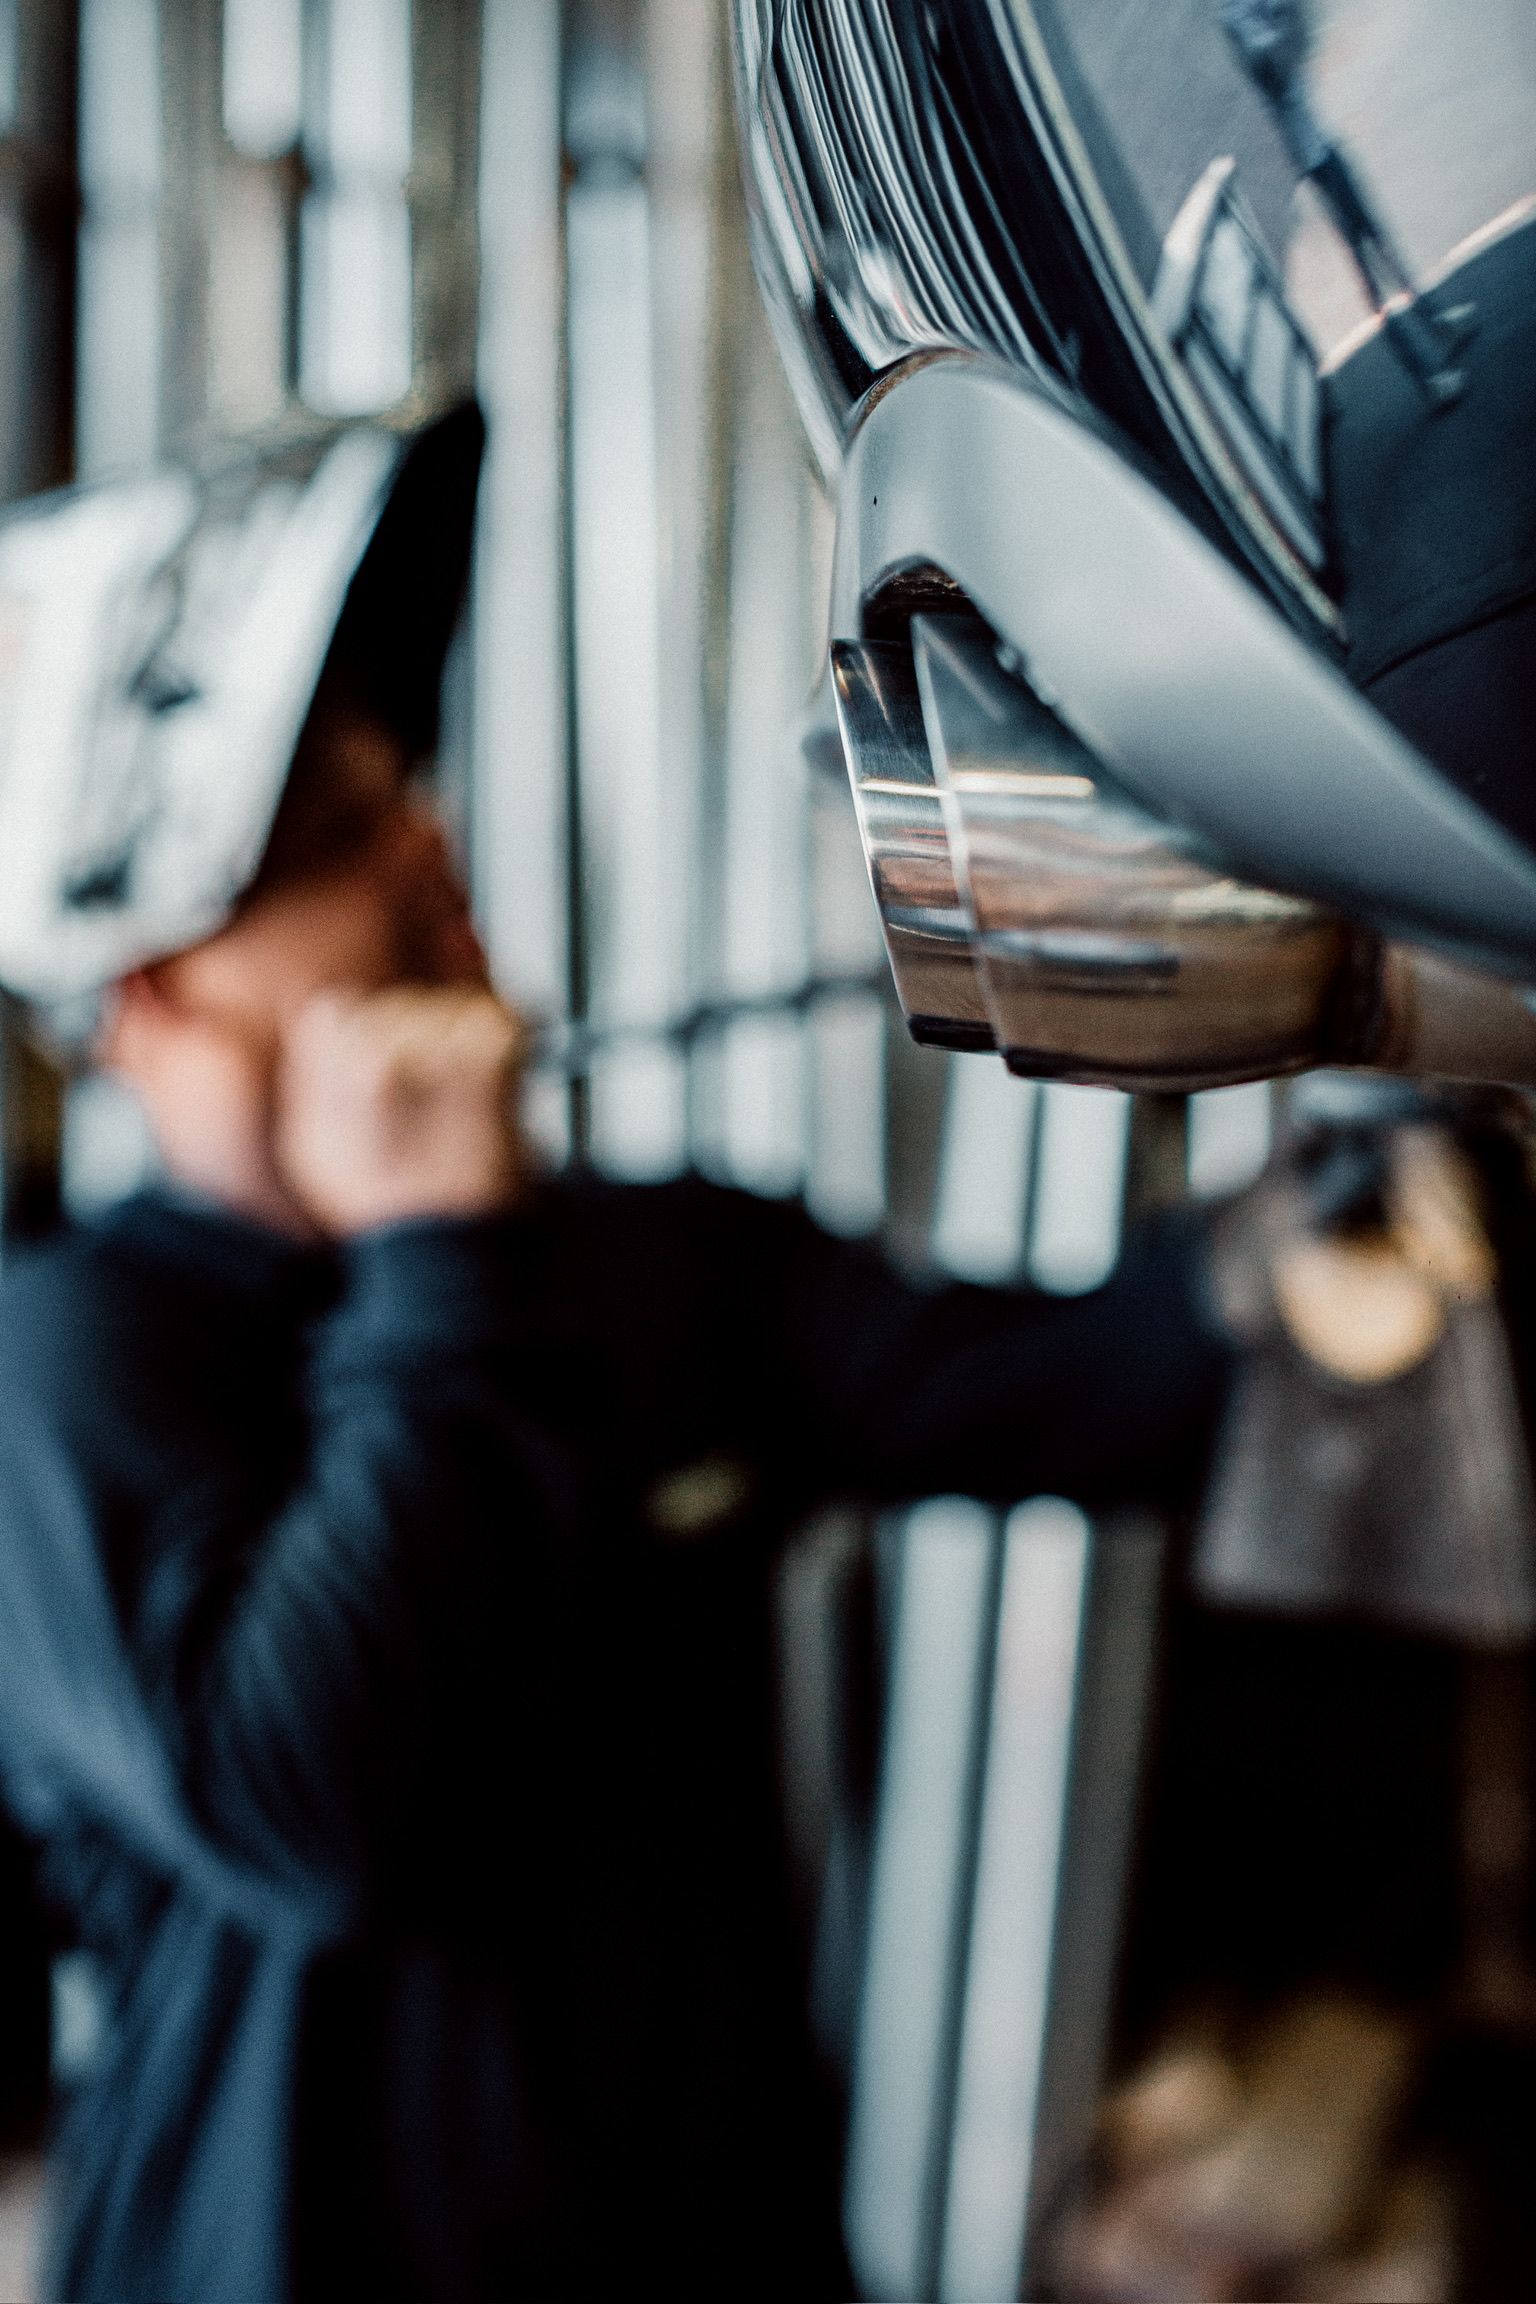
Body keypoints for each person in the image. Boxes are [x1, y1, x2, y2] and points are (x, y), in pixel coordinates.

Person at [0, 404, 1233, 2304]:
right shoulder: (70, 1357)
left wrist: (1344, 1197)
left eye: (401, 783)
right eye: (330, 831)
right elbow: (307, 1809)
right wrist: (432, 1262)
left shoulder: (654, 1269)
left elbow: (1112, 1390)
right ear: (158, 981)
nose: (425, 847)